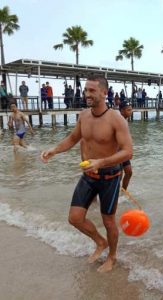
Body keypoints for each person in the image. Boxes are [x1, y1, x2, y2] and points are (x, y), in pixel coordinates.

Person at [41, 75, 133, 272]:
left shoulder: (116, 119)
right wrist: (54, 150)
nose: (87, 94)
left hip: (110, 177)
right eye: (86, 90)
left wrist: (101, 161)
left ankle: (112, 256)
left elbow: (127, 151)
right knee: (74, 218)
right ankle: (100, 242)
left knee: (108, 221)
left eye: (92, 90)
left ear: (104, 92)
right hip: (88, 176)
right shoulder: (84, 115)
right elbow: (73, 138)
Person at [119, 101, 133, 190]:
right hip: (117, 152)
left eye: (131, 110)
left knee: (129, 172)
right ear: (122, 111)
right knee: (118, 175)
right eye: (128, 110)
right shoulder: (118, 121)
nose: (131, 111)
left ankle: (124, 191)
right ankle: (114, 193)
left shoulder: (125, 121)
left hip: (124, 152)